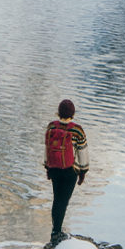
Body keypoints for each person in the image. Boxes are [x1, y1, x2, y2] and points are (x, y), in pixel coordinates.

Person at [44, 99, 89, 241]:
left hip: (54, 169)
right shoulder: (77, 130)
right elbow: (83, 152)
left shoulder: (51, 127)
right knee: (63, 201)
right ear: (73, 113)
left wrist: (47, 167)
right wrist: (83, 172)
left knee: (57, 199)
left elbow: (47, 148)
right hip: (70, 171)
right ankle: (56, 232)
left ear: (59, 112)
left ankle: (55, 229)